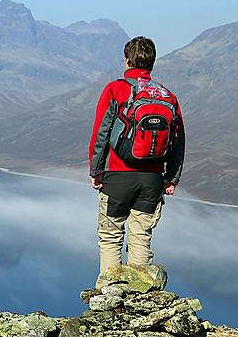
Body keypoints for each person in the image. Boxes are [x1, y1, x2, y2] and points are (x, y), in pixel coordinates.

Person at [88, 36, 186, 288]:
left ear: (127, 60)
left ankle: (109, 296)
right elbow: (178, 140)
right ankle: (139, 298)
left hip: (118, 177)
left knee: (111, 238)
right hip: (152, 180)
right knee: (141, 238)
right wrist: (171, 178)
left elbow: (101, 132)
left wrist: (97, 170)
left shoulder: (115, 89)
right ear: (152, 63)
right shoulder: (167, 96)